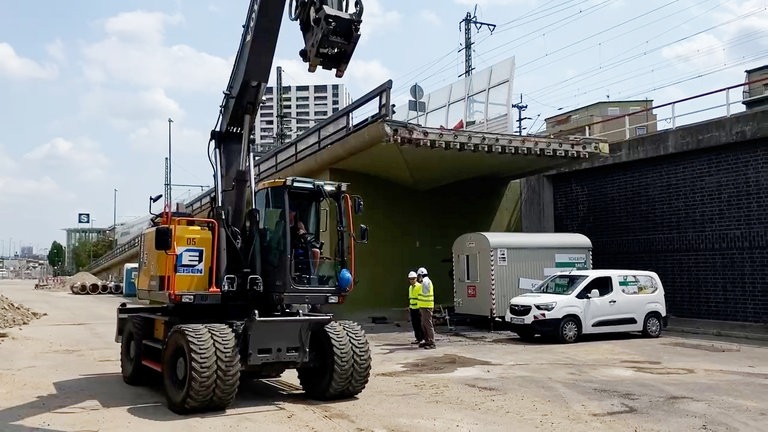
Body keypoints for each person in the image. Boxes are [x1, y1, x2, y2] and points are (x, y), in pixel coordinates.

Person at [289, 209, 321, 274]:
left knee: (316, 251)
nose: (292, 214)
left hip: (298, 248)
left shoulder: (299, 224)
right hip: (287, 247)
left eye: (292, 212)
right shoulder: (282, 224)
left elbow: (306, 236)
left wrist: (303, 232)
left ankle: (313, 274)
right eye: (290, 212)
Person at [416, 267, 435, 349]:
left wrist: (420, 284)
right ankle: (427, 340)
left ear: (421, 275)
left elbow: (425, 292)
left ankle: (431, 342)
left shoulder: (426, 281)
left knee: (428, 325)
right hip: (424, 306)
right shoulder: (424, 282)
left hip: (427, 307)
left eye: (418, 276)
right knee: (424, 324)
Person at [407, 271, 423, 345]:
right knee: (414, 324)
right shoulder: (410, 287)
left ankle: (422, 338)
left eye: (413, 279)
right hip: (412, 308)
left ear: (416, 279)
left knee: (420, 324)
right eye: (410, 279)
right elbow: (411, 298)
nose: (412, 280)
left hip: (418, 308)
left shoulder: (419, 286)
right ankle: (418, 338)